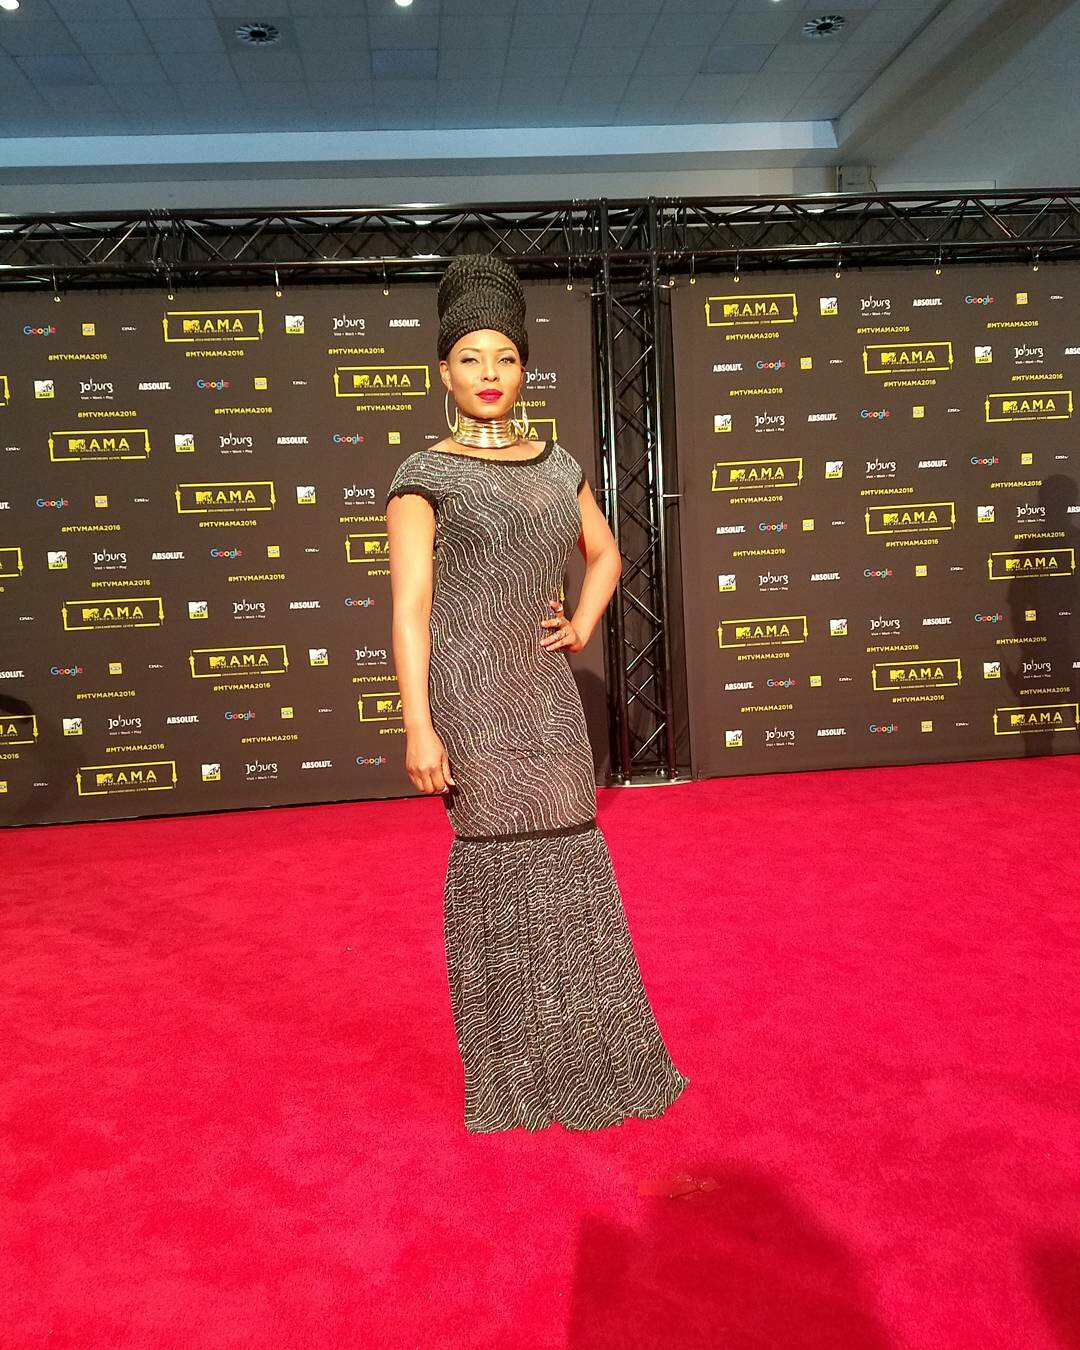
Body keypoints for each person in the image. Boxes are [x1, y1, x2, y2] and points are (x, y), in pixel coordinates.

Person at [385, 252, 689, 1133]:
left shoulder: (559, 464)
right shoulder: (423, 476)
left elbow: (608, 554)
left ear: (524, 370)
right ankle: (513, 1073)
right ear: (443, 371)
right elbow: (409, 612)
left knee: (571, 854)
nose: (489, 373)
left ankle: (589, 1056)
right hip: (471, 698)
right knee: (496, 864)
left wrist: (583, 622)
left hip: (547, 696)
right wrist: (418, 724)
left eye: (506, 358)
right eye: (471, 358)